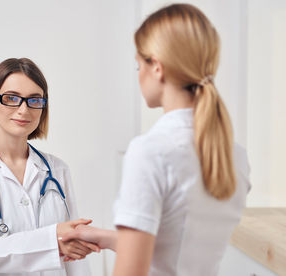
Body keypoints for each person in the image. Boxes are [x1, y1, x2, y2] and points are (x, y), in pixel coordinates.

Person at [62, 3, 251, 276]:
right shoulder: (234, 155)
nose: (138, 74)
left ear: (157, 68)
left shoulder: (150, 152)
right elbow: (179, 244)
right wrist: (105, 237)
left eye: (138, 65)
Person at [0, 58, 99, 276]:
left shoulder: (57, 170)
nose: (23, 109)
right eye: (11, 98)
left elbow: (76, 261)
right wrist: (53, 239)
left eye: (34, 100)